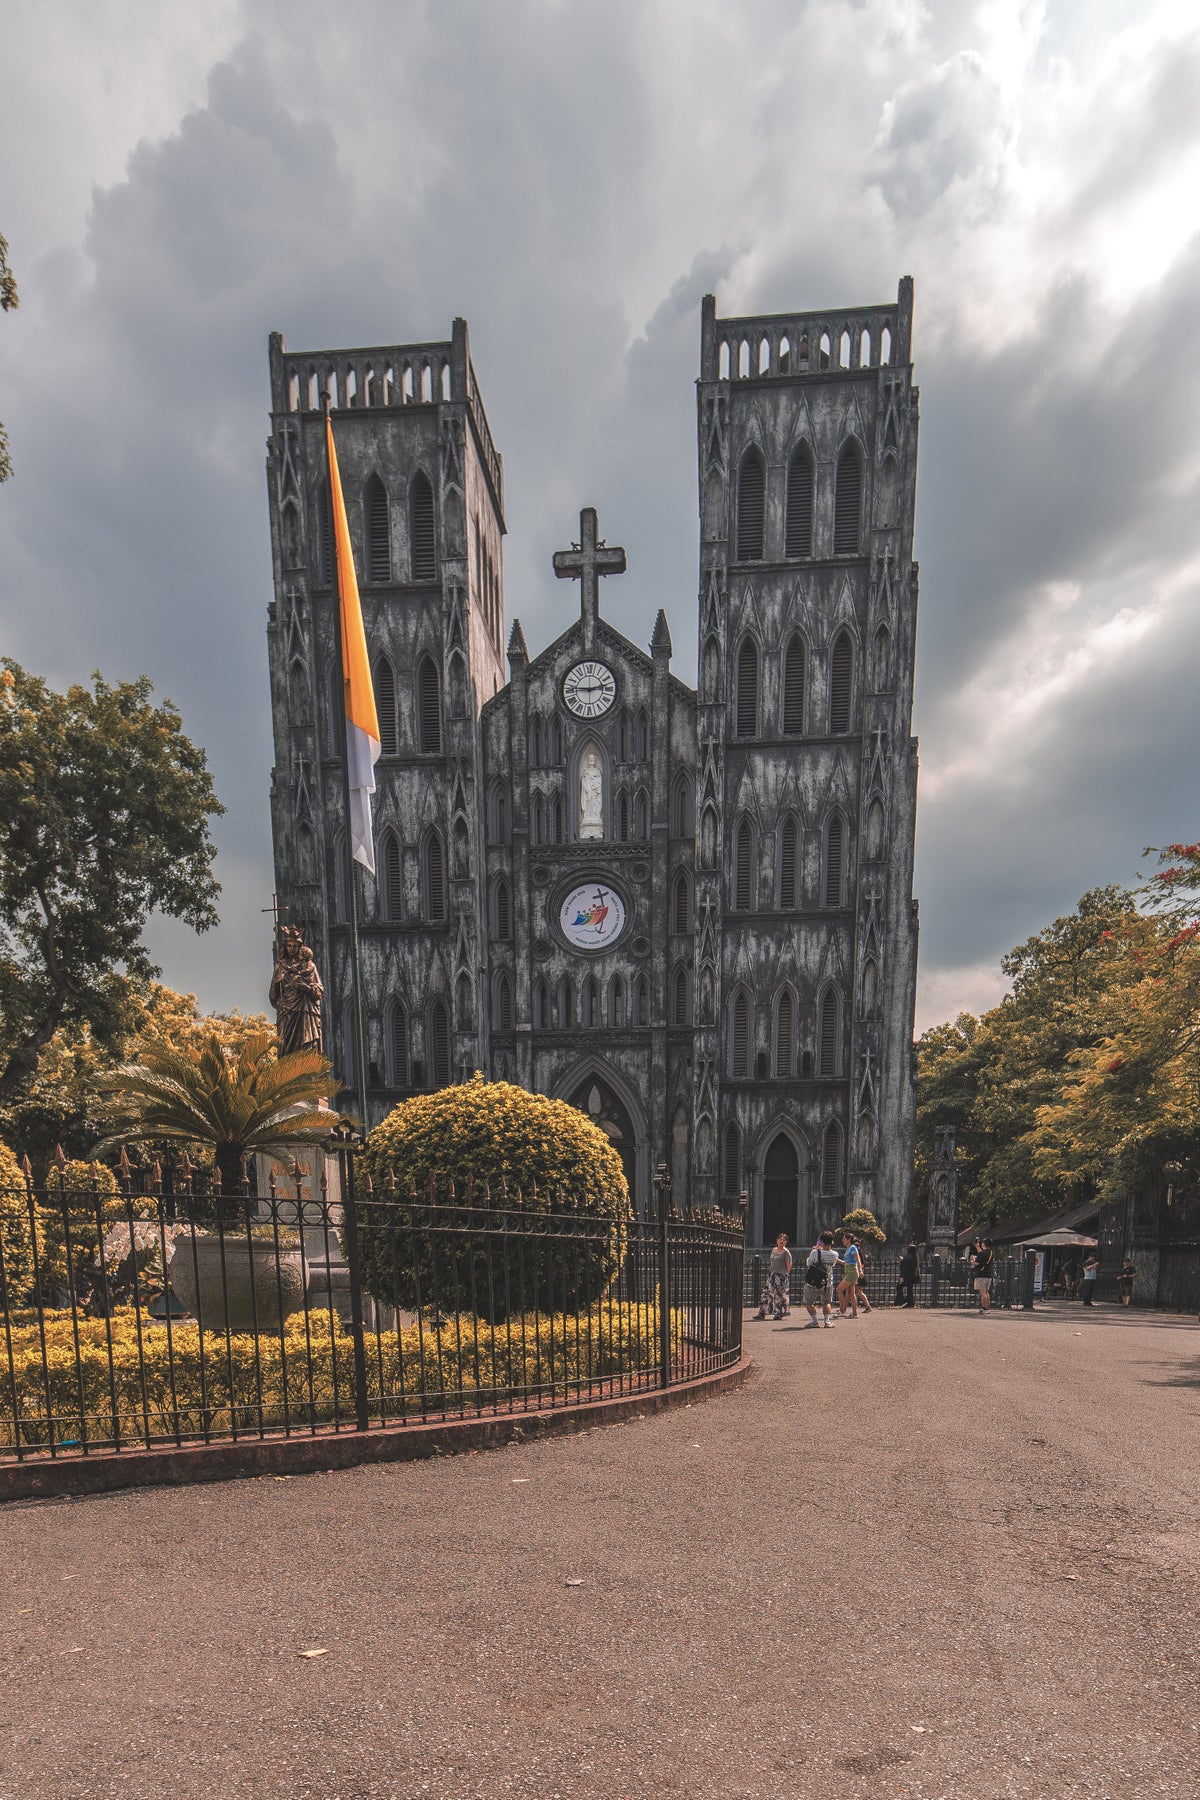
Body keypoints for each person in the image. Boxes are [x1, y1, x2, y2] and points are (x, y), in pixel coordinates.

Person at [802, 1231, 839, 1328]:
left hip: (812, 1282)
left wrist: (816, 1249)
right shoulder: (835, 1254)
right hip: (827, 1282)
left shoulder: (815, 1252)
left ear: (821, 1242)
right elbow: (833, 1264)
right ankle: (827, 1321)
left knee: (808, 1303)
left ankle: (815, 1321)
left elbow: (809, 1263)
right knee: (826, 1302)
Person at [755, 1233, 793, 1321]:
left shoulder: (786, 1252)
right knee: (766, 1294)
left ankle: (779, 1313)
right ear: (777, 1240)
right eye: (780, 1239)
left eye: (784, 1240)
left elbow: (789, 1266)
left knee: (779, 1296)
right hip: (772, 1275)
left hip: (781, 1276)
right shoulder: (773, 1250)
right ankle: (762, 1312)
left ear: (786, 1242)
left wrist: (784, 1275)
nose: (782, 1241)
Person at [837, 1233, 865, 1318]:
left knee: (839, 1290)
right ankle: (854, 1313)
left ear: (848, 1239)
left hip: (852, 1271)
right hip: (849, 1270)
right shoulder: (849, 1248)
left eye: (844, 1238)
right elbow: (847, 1263)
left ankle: (842, 1310)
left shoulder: (852, 1247)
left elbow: (858, 1259)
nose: (843, 1240)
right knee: (851, 1293)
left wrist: (860, 1270)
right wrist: (837, 1260)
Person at [972, 1238, 995, 1312]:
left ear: (984, 1244)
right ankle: (987, 1307)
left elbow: (977, 1263)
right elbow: (982, 1254)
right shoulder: (990, 1252)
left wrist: (972, 1261)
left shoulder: (982, 1254)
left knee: (982, 1293)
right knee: (986, 1292)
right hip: (988, 1275)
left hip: (981, 1275)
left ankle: (983, 1308)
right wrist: (977, 1246)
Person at [897, 1241, 920, 1308]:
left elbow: (904, 1267)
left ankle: (901, 1301)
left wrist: (902, 1277)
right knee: (910, 1289)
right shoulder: (915, 1257)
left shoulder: (908, 1257)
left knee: (899, 1287)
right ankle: (910, 1302)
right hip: (912, 1276)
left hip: (906, 1276)